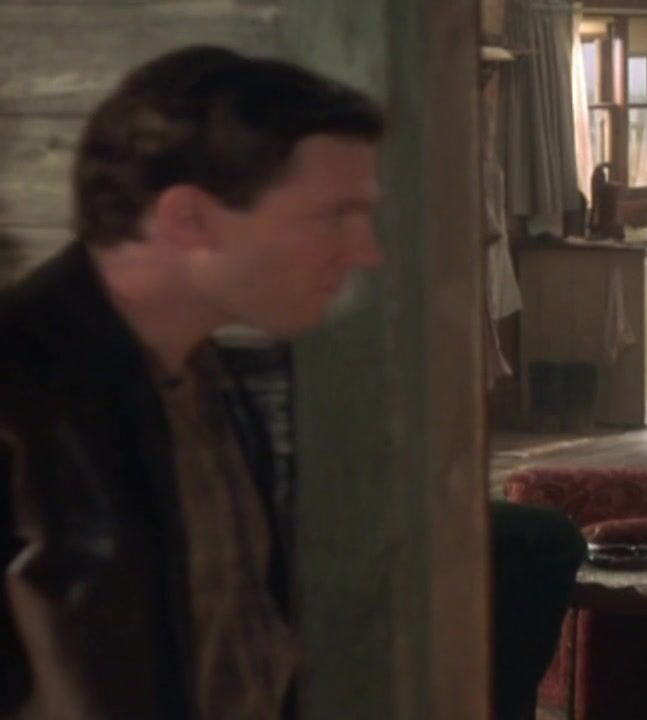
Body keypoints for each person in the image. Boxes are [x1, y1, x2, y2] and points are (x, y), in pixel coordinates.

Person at [0, 45, 582, 719]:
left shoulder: (206, 381)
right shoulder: (27, 399)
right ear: (188, 219)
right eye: (331, 215)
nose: (366, 251)